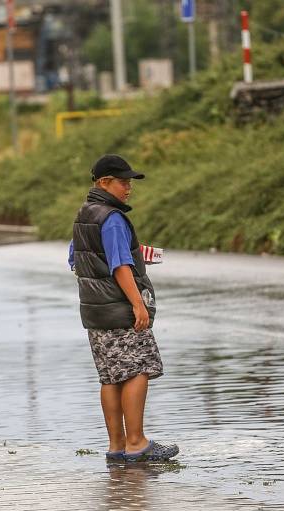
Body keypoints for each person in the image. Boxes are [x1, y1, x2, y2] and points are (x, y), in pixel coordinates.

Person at [69, 154, 179, 462]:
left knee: (109, 376)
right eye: (123, 182)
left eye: (129, 182)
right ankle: (137, 443)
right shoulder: (112, 218)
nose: (128, 188)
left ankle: (117, 446)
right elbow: (120, 266)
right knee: (137, 369)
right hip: (119, 309)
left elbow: (76, 259)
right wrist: (137, 304)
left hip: (94, 311)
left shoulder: (84, 214)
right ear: (104, 183)